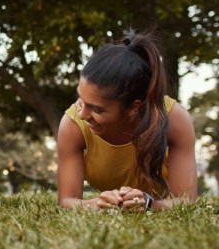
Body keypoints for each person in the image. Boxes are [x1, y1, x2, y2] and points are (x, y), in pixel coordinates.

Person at [57, 29, 197, 211]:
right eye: (81, 101)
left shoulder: (174, 119)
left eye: (97, 109)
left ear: (133, 107)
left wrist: (150, 204)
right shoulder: (72, 124)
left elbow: (186, 201)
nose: (83, 115)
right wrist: (96, 205)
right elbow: (67, 201)